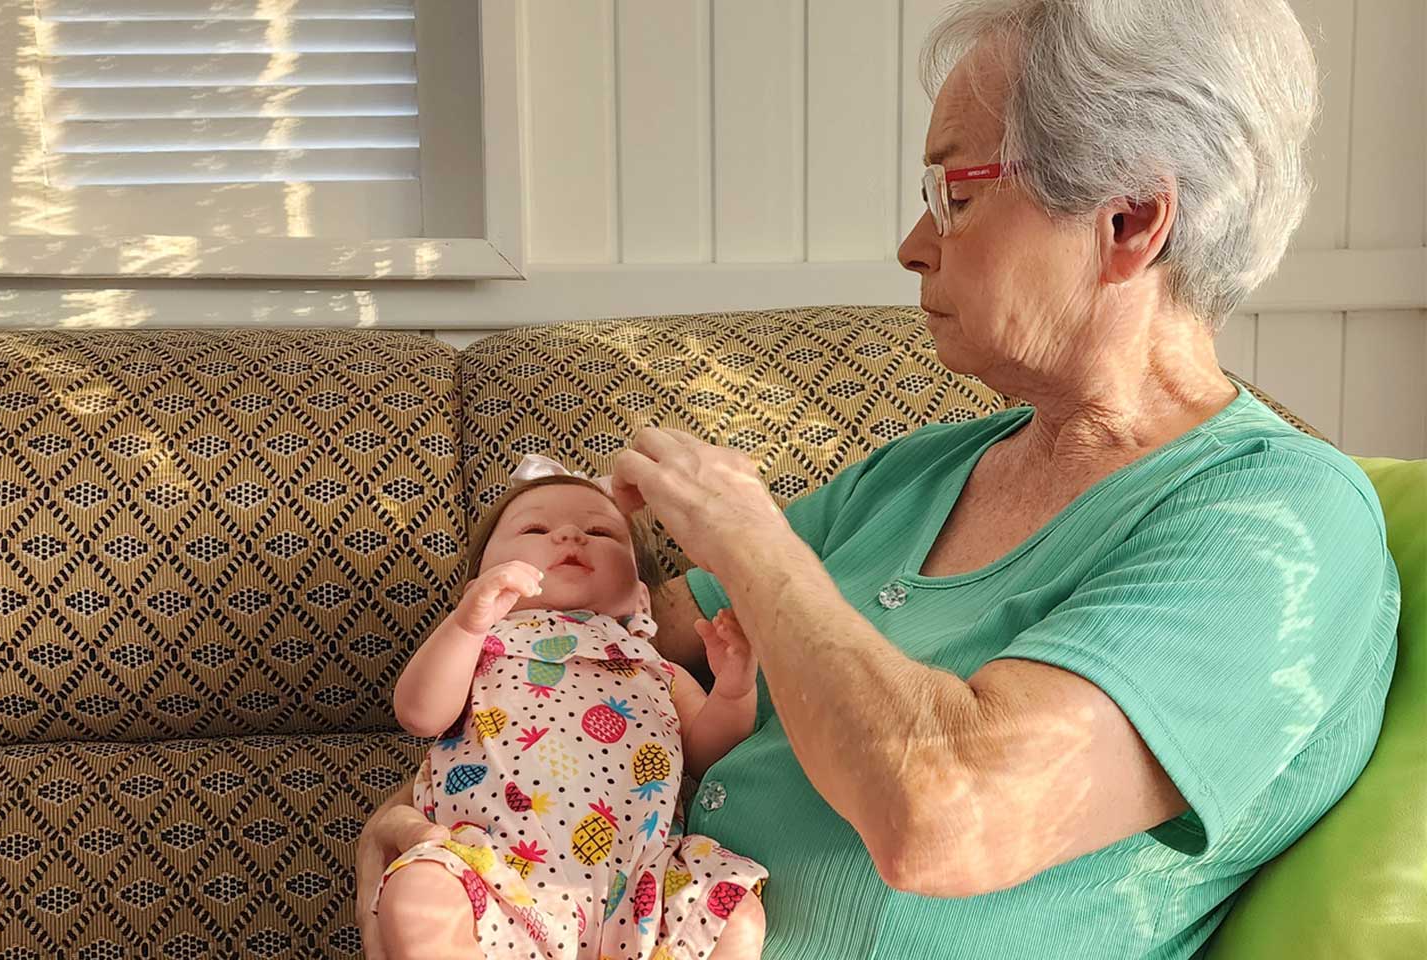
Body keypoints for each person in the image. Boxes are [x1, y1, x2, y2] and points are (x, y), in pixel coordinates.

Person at [358, 1, 1400, 956]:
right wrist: (431, 824)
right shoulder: (917, 473)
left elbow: (949, 818)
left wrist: (750, 537)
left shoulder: (1277, 521)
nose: (912, 246)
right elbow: (614, 632)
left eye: (954, 193)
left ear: (1128, 220)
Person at [369, 461, 765, 960]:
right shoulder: (480, 646)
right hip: (494, 873)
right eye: (535, 529)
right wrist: (467, 625)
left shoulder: (655, 668)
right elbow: (419, 714)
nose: (571, 535)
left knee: (735, 911)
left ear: (641, 598)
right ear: (478, 586)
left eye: (601, 533)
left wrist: (733, 689)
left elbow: (712, 756)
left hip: (641, 885)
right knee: (419, 892)